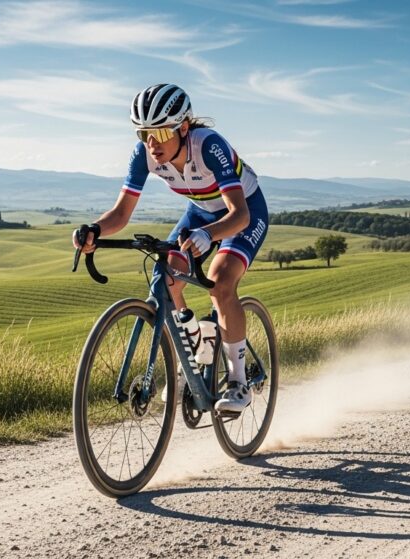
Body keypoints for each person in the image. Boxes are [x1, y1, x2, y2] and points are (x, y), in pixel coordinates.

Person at [73, 84, 268, 413]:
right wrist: (94, 230)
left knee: (220, 282)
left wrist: (208, 234)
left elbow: (239, 215)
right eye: (144, 132)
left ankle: (238, 381)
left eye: (161, 132)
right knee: (165, 274)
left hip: (243, 213)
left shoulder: (209, 146)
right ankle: (194, 351)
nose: (152, 142)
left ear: (184, 128)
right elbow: (121, 214)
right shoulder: (145, 154)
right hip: (199, 213)